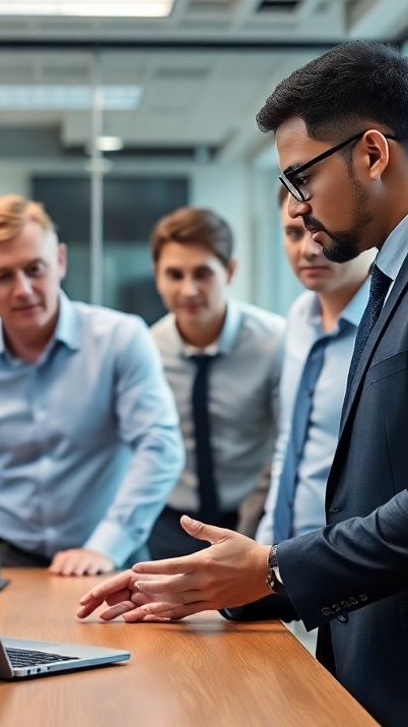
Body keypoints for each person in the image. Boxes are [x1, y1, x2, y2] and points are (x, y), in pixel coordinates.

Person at [77, 42, 408, 727]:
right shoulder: (407, 269)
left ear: (372, 153)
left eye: (301, 178)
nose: (297, 207)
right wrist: (218, 583)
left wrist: (272, 569)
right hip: (402, 667)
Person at [0, 195, 183, 577]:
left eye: (35, 269)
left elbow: (160, 447)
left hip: (111, 558)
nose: (23, 290)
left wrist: (104, 546)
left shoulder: (121, 339)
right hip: (5, 562)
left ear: (60, 260)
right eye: (2, 276)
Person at [216, 188, 373, 647]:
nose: (307, 248)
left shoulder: (386, 327)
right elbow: (291, 442)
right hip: (279, 569)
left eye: (320, 229)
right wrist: (264, 547)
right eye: (292, 232)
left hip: (347, 575)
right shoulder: (298, 320)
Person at [144, 207, 284, 559]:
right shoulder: (146, 349)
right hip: (169, 524)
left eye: (202, 274)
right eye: (174, 275)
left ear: (230, 271)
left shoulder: (275, 342)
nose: (188, 290)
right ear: (156, 276)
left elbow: (288, 441)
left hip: (250, 521)